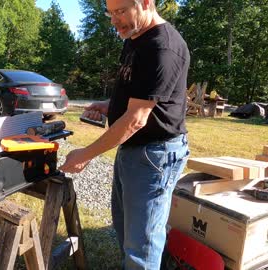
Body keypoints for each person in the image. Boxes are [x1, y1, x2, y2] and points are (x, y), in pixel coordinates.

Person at [59, 0, 190, 269]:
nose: (114, 20)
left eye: (120, 11)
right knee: (126, 229)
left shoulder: (162, 46)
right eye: (110, 13)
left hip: (154, 155)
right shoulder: (134, 37)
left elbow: (136, 119)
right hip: (132, 149)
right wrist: (109, 106)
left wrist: (86, 154)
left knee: (141, 247)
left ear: (145, 3)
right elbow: (141, 94)